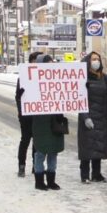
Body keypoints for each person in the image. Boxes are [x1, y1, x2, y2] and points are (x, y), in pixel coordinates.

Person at [77, 52, 107, 183]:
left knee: (98, 145)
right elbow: (79, 99)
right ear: (88, 62)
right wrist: (85, 117)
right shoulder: (82, 77)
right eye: (93, 59)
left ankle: (96, 174)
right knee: (87, 147)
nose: (96, 61)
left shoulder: (103, 77)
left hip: (101, 116)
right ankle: (84, 175)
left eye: (98, 59)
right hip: (88, 117)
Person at [31, 54, 64, 191]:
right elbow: (24, 104)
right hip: (40, 121)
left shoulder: (58, 80)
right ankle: (39, 181)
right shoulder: (31, 80)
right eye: (47, 63)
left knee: (53, 151)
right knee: (40, 152)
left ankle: (51, 180)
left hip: (54, 120)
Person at [15, 51, 41, 177]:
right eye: (35, 60)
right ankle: (21, 166)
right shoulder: (23, 77)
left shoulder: (44, 77)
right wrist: (21, 112)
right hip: (26, 116)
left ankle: (36, 166)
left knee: (37, 142)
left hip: (39, 115)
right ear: (31, 62)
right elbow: (18, 97)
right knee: (25, 140)